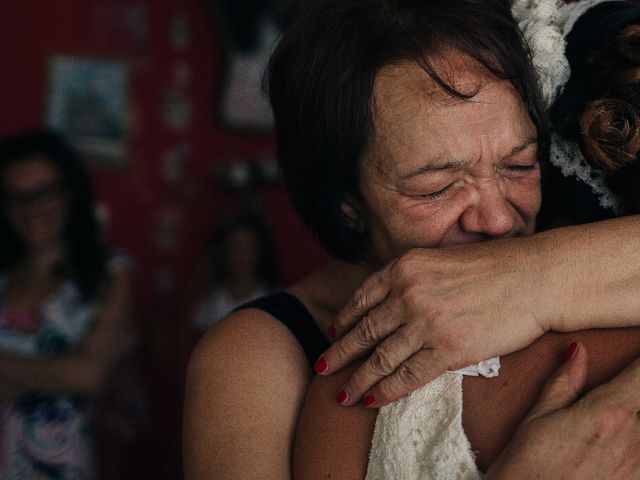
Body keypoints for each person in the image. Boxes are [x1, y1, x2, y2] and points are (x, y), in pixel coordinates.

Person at [183, 0, 640, 478]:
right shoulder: (256, 358)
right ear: (348, 204)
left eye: (519, 166)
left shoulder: (574, 258)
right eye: (438, 187)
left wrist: (536, 279)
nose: (499, 220)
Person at [0, 129, 135, 479]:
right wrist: (60, 372)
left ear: (69, 193)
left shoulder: (108, 273)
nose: (32, 209)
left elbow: (90, 375)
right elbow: (77, 372)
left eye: (43, 192)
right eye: (16, 197)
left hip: (58, 468)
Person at [191, 211, 279, 332]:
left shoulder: (275, 300)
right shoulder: (210, 302)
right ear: (224, 252)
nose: (242, 256)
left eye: (249, 248)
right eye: (236, 248)